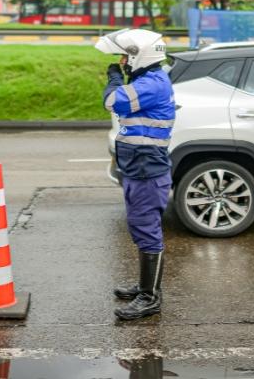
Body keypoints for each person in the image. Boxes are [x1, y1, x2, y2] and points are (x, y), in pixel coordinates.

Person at [95, 28, 175, 320]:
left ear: (139, 56)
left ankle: (150, 297)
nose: (121, 61)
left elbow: (112, 101)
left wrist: (115, 79)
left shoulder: (152, 84)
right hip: (138, 167)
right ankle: (145, 285)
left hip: (146, 170)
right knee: (140, 228)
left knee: (146, 229)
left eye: (124, 57)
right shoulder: (147, 79)